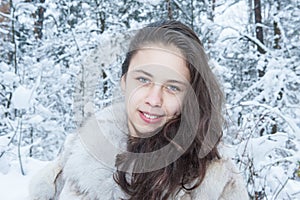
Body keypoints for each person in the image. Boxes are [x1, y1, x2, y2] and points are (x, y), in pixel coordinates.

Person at [29, 20, 249, 200]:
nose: (154, 99)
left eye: (173, 87)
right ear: (124, 81)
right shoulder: (81, 149)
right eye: (143, 79)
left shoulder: (214, 180)